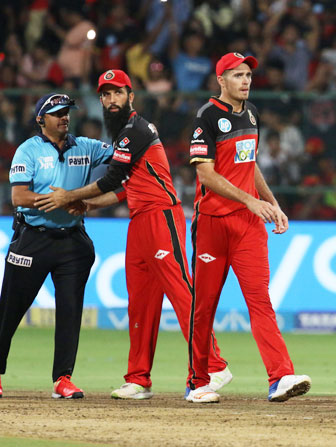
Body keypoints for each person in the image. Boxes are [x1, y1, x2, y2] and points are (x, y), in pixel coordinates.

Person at [34, 70, 231, 401]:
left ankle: (212, 366)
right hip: (139, 220)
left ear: (131, 97)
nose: (112, 101)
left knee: (181, 292)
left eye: (118, 94)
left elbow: (112, 178)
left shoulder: (136, 129)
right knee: (141, 302)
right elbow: (125, 188)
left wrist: (68, 196)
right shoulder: (122, 135)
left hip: (161, 215)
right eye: (106, 95)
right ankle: (139, 378)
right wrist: (88, 205)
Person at [186, 52, 311, 403]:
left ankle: (280, 377)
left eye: (248, 75)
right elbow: (205, 174)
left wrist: (270, 202)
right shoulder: (207, 117)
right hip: (213, 223)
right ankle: (197, 381)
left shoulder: (252, 113)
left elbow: (249, 164)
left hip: (247, 225)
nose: (245, 80)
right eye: (237, 74)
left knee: (260, 301)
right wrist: (249, 201)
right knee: (204, 307)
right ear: (220, 80)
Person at [0, 93, 113, 399]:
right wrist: (57, 200)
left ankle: (63, 379)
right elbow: (19, 198)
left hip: (72, 242)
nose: (65, 117)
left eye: (68, 112)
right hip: (32, 239)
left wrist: (134, 131)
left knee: (70, 310)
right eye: (58, 112)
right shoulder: (28, 150)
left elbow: (122, 157)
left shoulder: (86, 147)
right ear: (41, 119)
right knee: (9, 311)